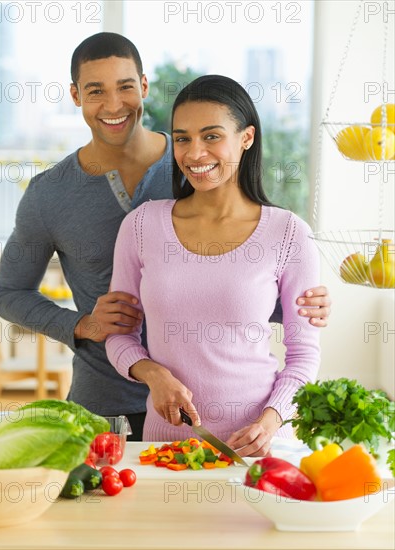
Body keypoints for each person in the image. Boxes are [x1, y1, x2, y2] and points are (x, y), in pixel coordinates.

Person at [0, 33, 330, 441]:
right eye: (96, 91)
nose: (114, 105)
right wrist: (82, 325)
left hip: (231, 415)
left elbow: (243, 280)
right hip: (106, 400)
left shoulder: (199, 162)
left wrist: (299, 304)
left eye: (125, 87)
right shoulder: (51, 194)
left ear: (144, 87)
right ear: (75, 95)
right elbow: (10, 294)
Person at [105, 75, 321, 455]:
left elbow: (304, 354)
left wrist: (271, 420)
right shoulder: (142, 226)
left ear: (246, 138)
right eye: (183, 138)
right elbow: (120, 335)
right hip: (167, 447)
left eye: (211, 136)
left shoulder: (288, 233)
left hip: (259, 448)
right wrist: (153, 375)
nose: (194, 154)